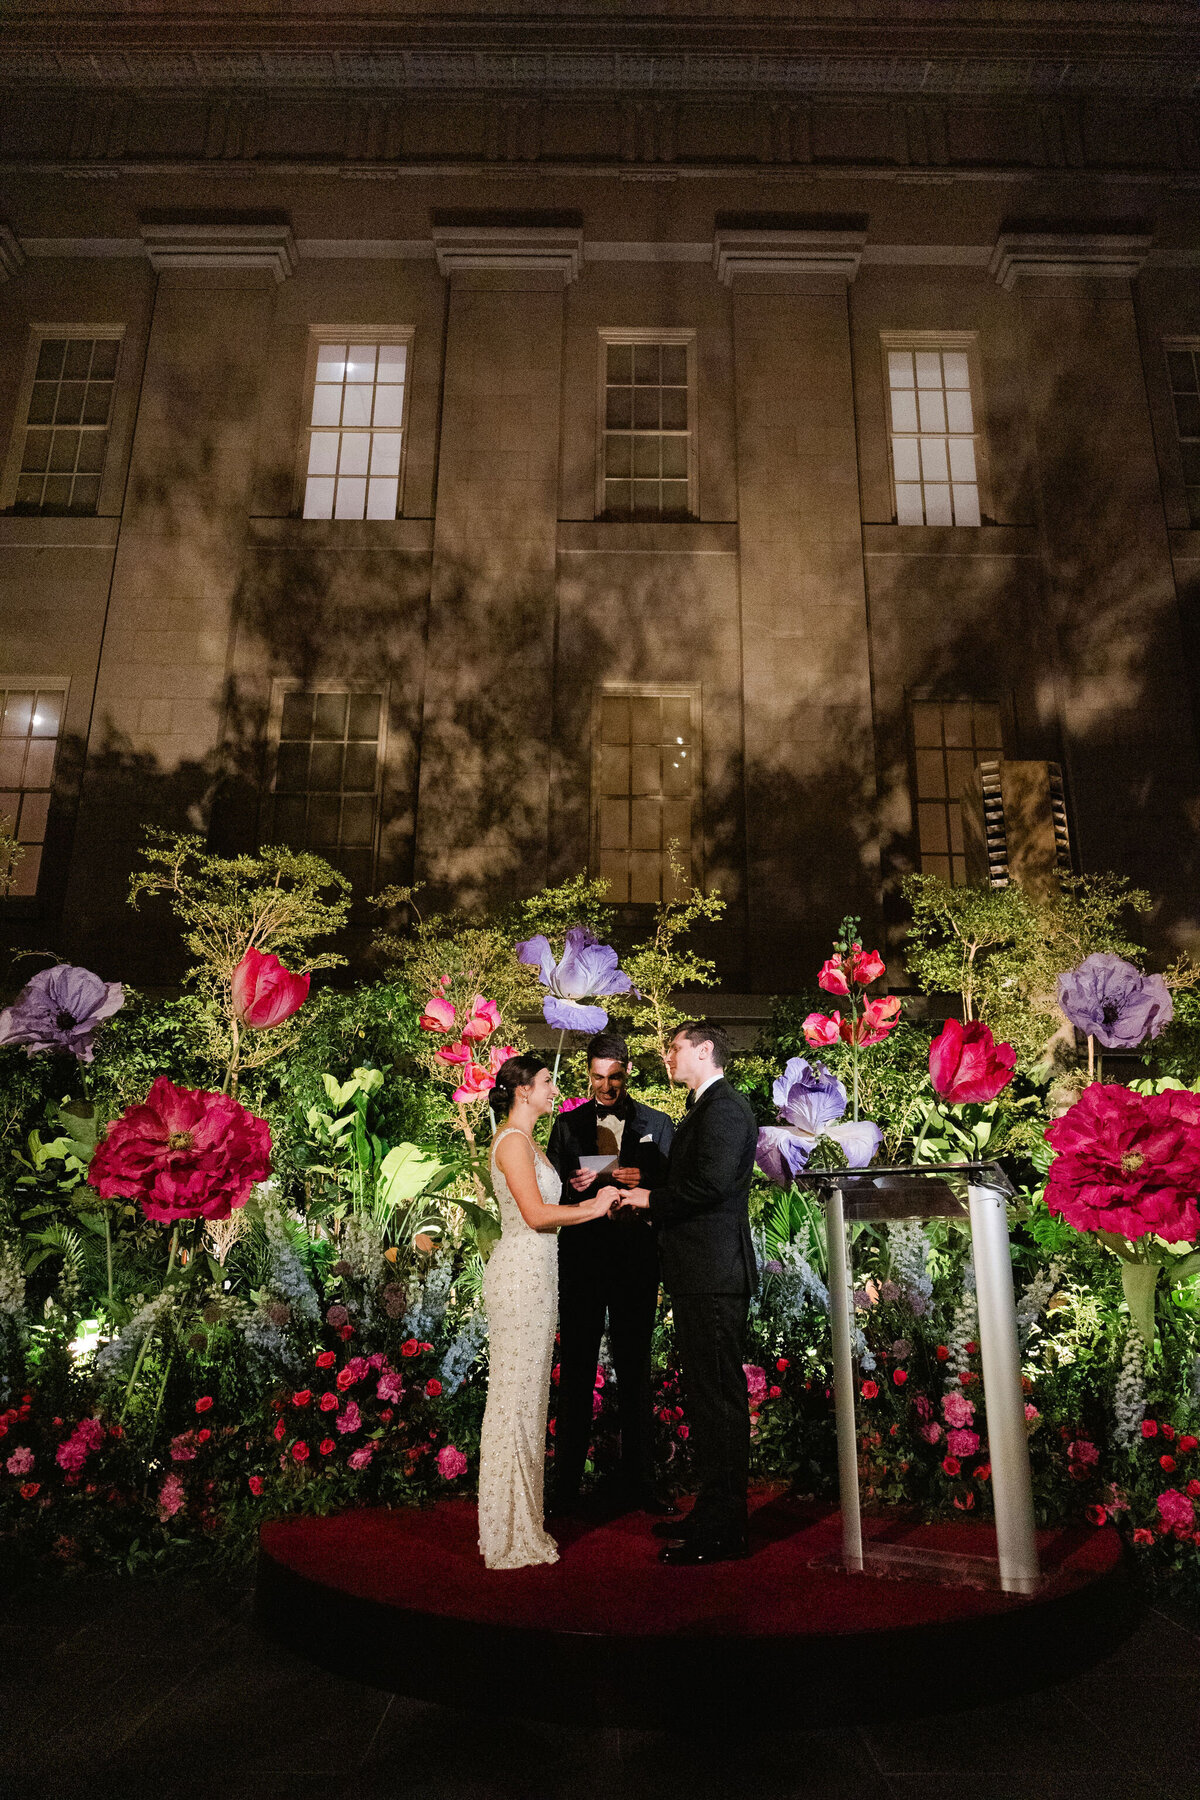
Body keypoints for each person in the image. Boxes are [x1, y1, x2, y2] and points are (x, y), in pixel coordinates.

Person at [617, 1020, 758, 1565]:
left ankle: (724, 1530)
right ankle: (713, 1513)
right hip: (701, 1274)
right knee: (706, 1398)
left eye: (674, 1047)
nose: (667, 1056)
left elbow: (711, 1184)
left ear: (705, 1050)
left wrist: (650, 1199)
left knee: (718, 1401)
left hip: (714, 1274)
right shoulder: (706, 1107)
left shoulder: (724, 1108)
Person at [477, 1053, 617, 1571]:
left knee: (531, 1397)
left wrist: (579, 1191)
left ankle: (522, 1519)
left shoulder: (530, 1141)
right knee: (514, 1398)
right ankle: (505, 1529)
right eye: (545, 1082)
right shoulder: (513, 1142)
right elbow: (535, 1215)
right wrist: (592, 1208)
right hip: (519, 1275)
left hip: (539, 1274)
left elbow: (543, 1201)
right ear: (522, 1090)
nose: (553, 1089)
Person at [546, 1029, 675, 1517]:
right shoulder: (566, 1125)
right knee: (576, 1371)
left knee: (636, 1371)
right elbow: (550, 1193)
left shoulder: (658, 1123)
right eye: (598, 1078)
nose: (605, 1087)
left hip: (636, 1262)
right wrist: (576, 1184)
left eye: (614, 1077)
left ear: (627, 1072)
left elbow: (676, 1189)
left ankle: (641, 1485)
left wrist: (646, 1180)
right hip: (582, 1261)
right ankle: (566, 1489)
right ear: (588, 1074)